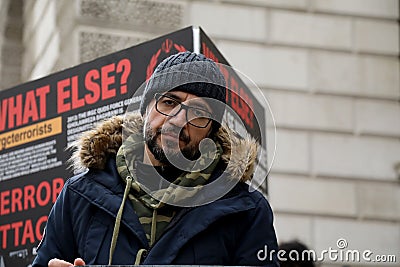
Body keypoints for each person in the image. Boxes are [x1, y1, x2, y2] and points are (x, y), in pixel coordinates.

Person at [32, 51, 279, 266]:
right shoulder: (80, 195)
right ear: (147, 106)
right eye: (169, 102)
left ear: (211, 131)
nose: (179, 121)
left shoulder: (246, 210)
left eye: (198, 113)